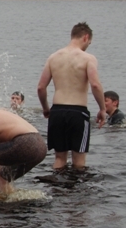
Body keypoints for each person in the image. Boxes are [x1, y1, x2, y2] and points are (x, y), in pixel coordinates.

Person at [37, 21, 106, 171]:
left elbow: (41, 87)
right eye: (89, 43)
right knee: (79, 160)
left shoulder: (53, 57)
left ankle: (57, 192)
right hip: (77, 113)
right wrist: (102, 108)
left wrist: (46, 109)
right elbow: (95, 85)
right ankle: (77, 193)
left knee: (59, 158)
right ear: (86, 37)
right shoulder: (88, 58)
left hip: (57, 111)